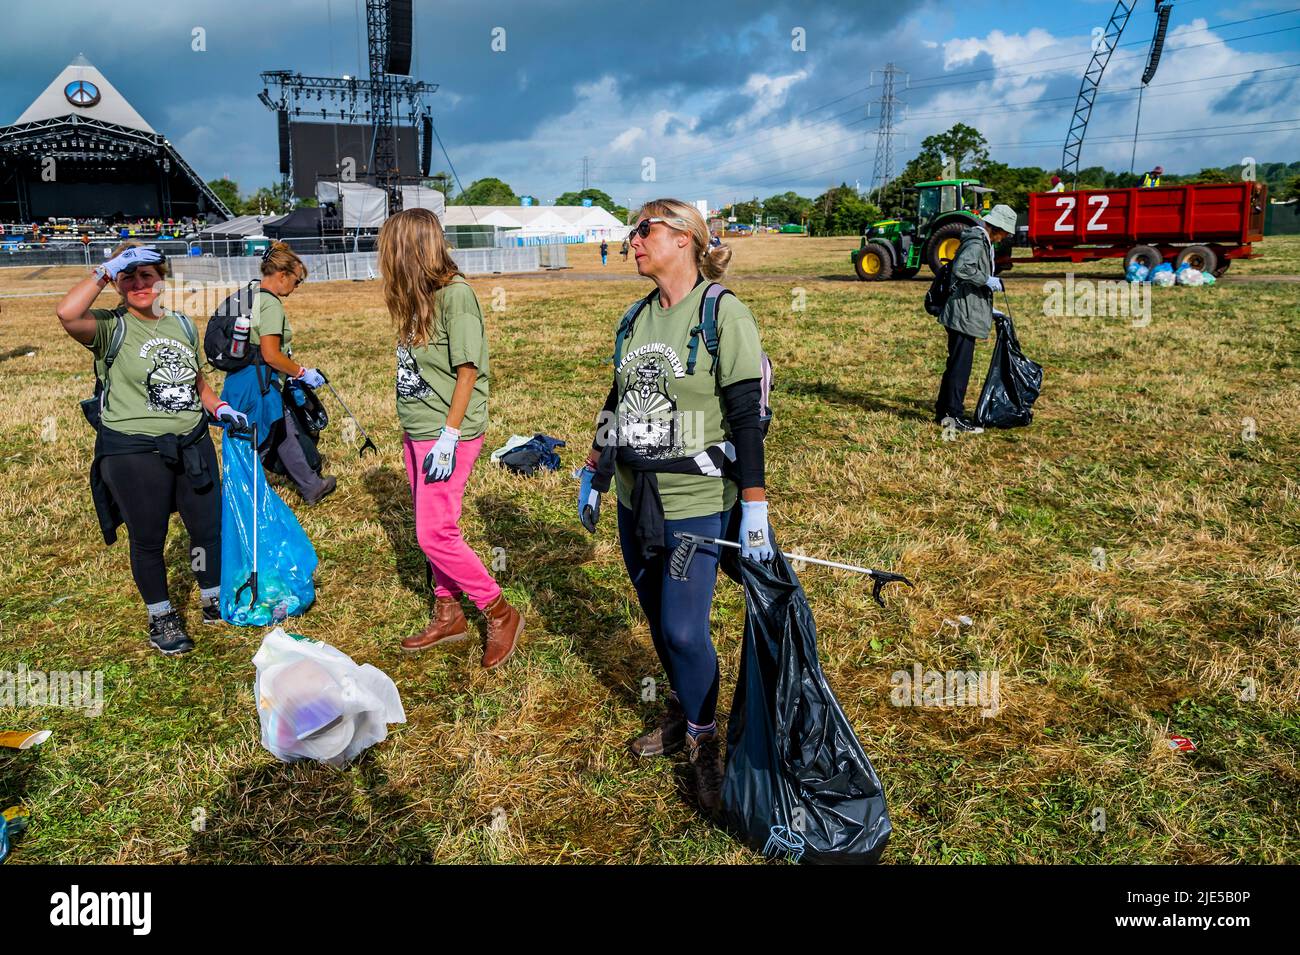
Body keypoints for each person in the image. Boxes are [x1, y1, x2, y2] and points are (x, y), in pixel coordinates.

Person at [577, 198, 770, 814]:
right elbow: (618, 397)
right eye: (633, 232)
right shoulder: (634, 319)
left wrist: (756, 504)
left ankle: (705, 743)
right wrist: (595, 469)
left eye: (645, 230)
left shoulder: (721, 314)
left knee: (686, 629)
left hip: (695, 500)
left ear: (686, 238)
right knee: (661, 623)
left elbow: (745, 415)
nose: (634, 240)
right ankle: (687, 711)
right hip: (638, 499)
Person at [56, 242, 246, 655]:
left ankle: (212, 598)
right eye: (130, 276)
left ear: (162, 278)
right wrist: (106, 270)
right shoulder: (109, 326)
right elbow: (67, 314)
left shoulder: (181, 324)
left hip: (192, 442)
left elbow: (195, 382)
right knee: (149, 537)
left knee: (205, 528)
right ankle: (161, 617)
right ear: (119, 284)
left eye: (148, 274)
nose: (139, 283)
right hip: (134, 452)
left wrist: (220, 406)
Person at [378, 208, 525, 668]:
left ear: (408, 250)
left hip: (446, 432)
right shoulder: (419, 295)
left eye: (389, 250)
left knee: (434, 533)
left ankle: (499, 611)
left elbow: (468, 370)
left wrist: (449, 434)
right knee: (433, 530)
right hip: (419, 427)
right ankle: (449, 613)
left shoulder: (456, 295)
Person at [218, 241, 335, 504]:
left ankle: (311, 485)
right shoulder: (269, 304)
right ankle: (235, 501)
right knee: (256, 444)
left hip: (250, 381)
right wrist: (302, 372)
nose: (296, 287)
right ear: (282, 275)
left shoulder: (250, 295)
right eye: (297, 281)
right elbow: (271, 354)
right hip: (257, 386)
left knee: (284, 430)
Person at [934, 203, 1018, 434]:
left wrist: (989, 309)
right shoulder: (976, 242)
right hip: (962, 313)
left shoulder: (982, 241)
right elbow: (961, 269)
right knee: (960, 367)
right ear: (997, 228)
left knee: (955, 364)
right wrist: (987, 280)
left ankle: (943, 412)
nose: (1005, 237)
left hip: (966, 309)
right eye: (1005, 232)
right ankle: (953, 417)